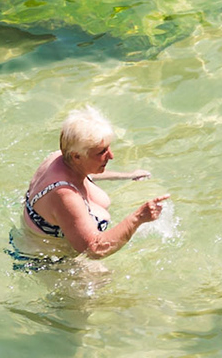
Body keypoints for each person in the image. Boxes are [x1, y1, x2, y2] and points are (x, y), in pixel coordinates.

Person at [12, 106, 169, 267]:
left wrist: (128, 175)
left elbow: (86, 172)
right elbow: (94, 249)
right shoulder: (64, 195)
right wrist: (138, 217)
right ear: (77, 156)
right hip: (49, 263)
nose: (111, 156)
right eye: (101, 152)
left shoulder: (61, 158)